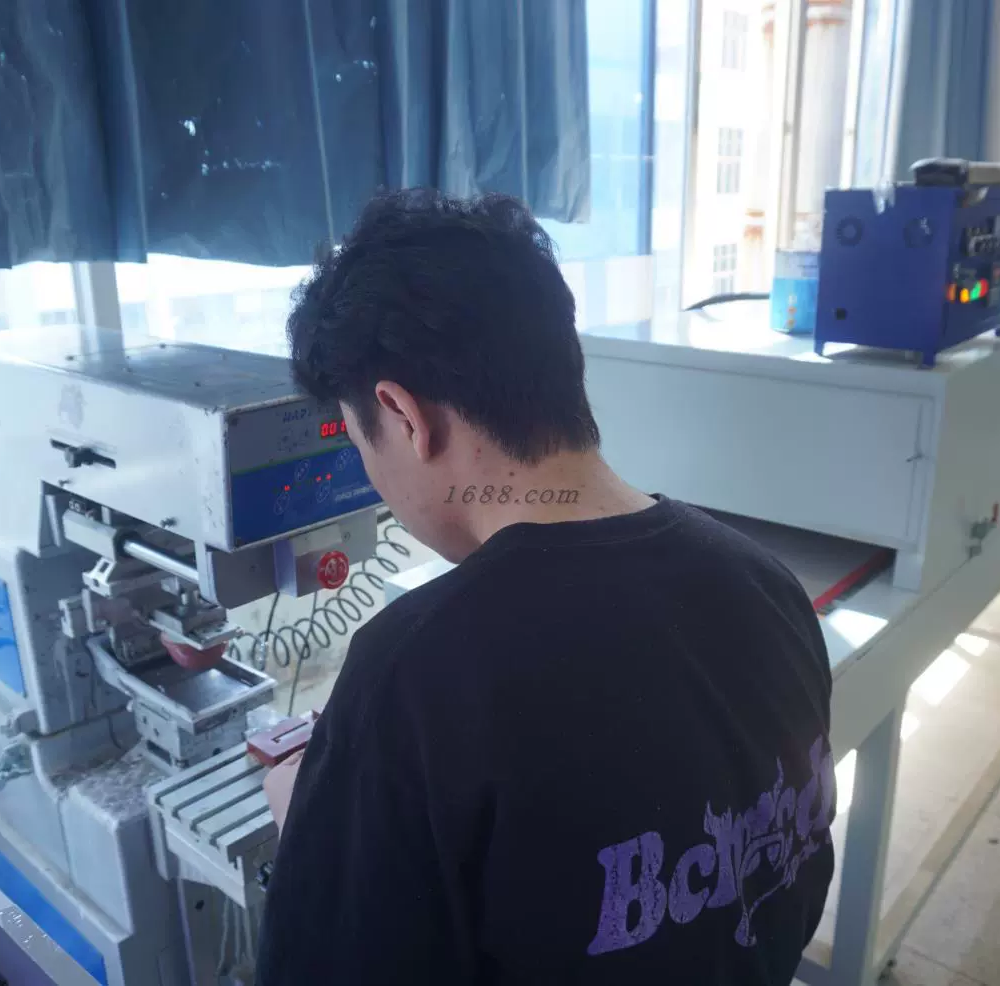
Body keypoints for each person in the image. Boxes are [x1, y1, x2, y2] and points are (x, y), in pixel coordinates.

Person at [255, 189, 835, 985]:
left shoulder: (414, 672)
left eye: (361, 442)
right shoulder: (766, 584)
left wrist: (314, 823)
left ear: (402, 415)